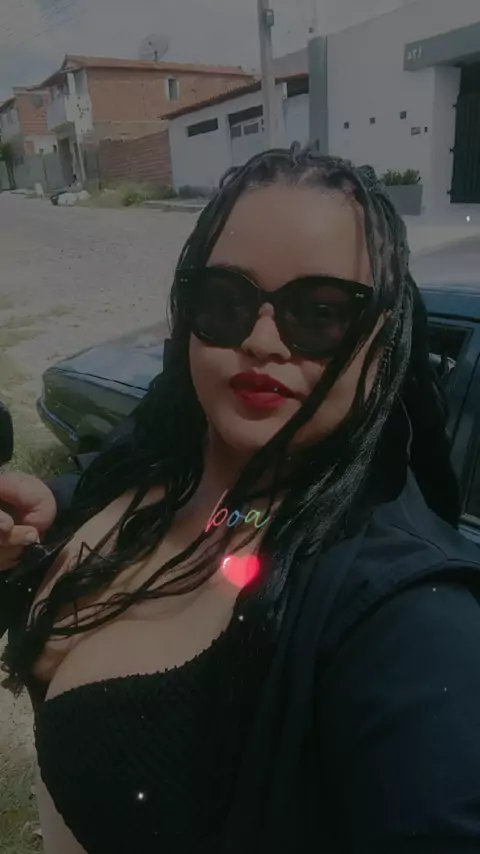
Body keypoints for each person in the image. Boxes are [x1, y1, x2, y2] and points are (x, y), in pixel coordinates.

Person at [2, 147, 480, 854]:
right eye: (226, 301)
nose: (260, 341)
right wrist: (55, 505)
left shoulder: (406, 618)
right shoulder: (167, 451)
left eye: (319, 314)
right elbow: (139, 481)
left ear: (383, 340)